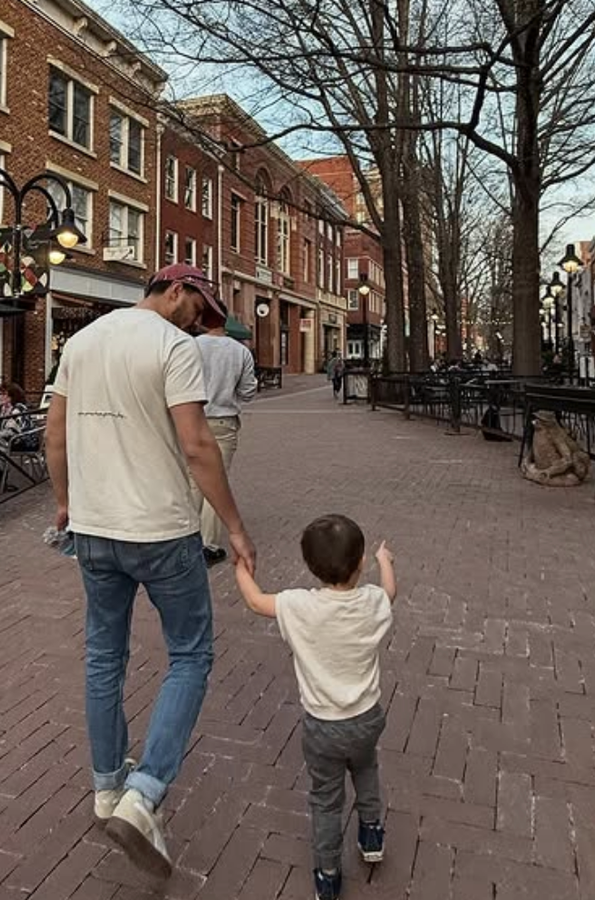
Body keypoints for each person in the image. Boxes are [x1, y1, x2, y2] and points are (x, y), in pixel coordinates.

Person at [45, 262, 256, 879]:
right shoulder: (172, 346)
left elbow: (55, 435)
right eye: (200, 306)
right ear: (176, 290)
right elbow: (196, 446)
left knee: (103, 656)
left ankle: (107, 787)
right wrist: (236, 528)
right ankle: (144, 793)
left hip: (94, 529)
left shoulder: (81, 341)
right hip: (161, 529)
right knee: (190, 654)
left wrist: (66, 503)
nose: (202, 319)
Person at [234, 514, 397, 900]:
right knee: (366, 768)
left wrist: (242, 569)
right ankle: (371, 834)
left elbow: (257, 601)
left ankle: (328, 872)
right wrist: (385, 560)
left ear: (310, 567)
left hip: (323, 725)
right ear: (359, 564)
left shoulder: (297, 605)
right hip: (367, 716)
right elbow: (389, 591)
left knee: (326, 798)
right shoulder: (373, 601)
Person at [190, 312, 257, 567]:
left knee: (191, 480)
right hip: (223, 422)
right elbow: (248, 391)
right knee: (216, 481)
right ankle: (208, 544)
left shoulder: (190, 346)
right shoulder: (240, 352)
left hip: (191, 420)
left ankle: (186, 537)